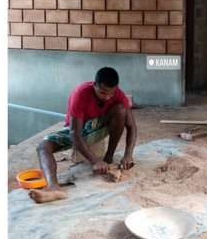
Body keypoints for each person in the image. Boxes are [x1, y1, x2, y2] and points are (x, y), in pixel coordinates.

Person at [29, 67, 137, 203]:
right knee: (43, 147)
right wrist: (95, 161)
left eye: (111, 93)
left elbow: (132, 126)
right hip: (78, 130)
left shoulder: (118, 94)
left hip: (99, 126)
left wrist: (128, 154)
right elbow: (75, 134)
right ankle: (53, 188)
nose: (108, 97)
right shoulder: (81, 93)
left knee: (121, 110)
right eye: (103, 93)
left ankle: (108, 158)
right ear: (94, 85)